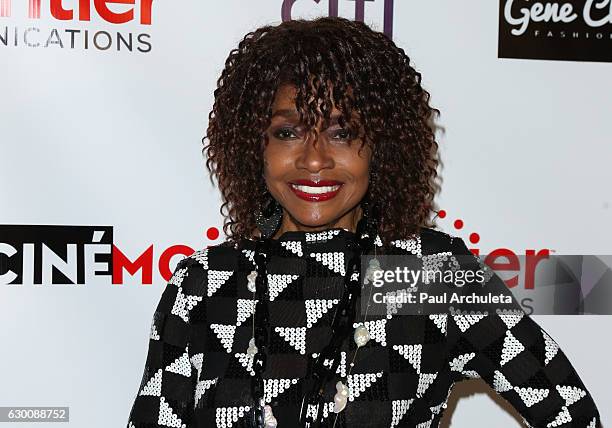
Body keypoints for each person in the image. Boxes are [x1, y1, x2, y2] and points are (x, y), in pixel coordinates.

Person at [126, 16, 601, 428]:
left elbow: (568, 412)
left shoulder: (428, 274)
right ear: (256, 148)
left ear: (382, 146)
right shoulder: (207, 283)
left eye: (342, 132)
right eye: (287, 132)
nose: (314, 160)